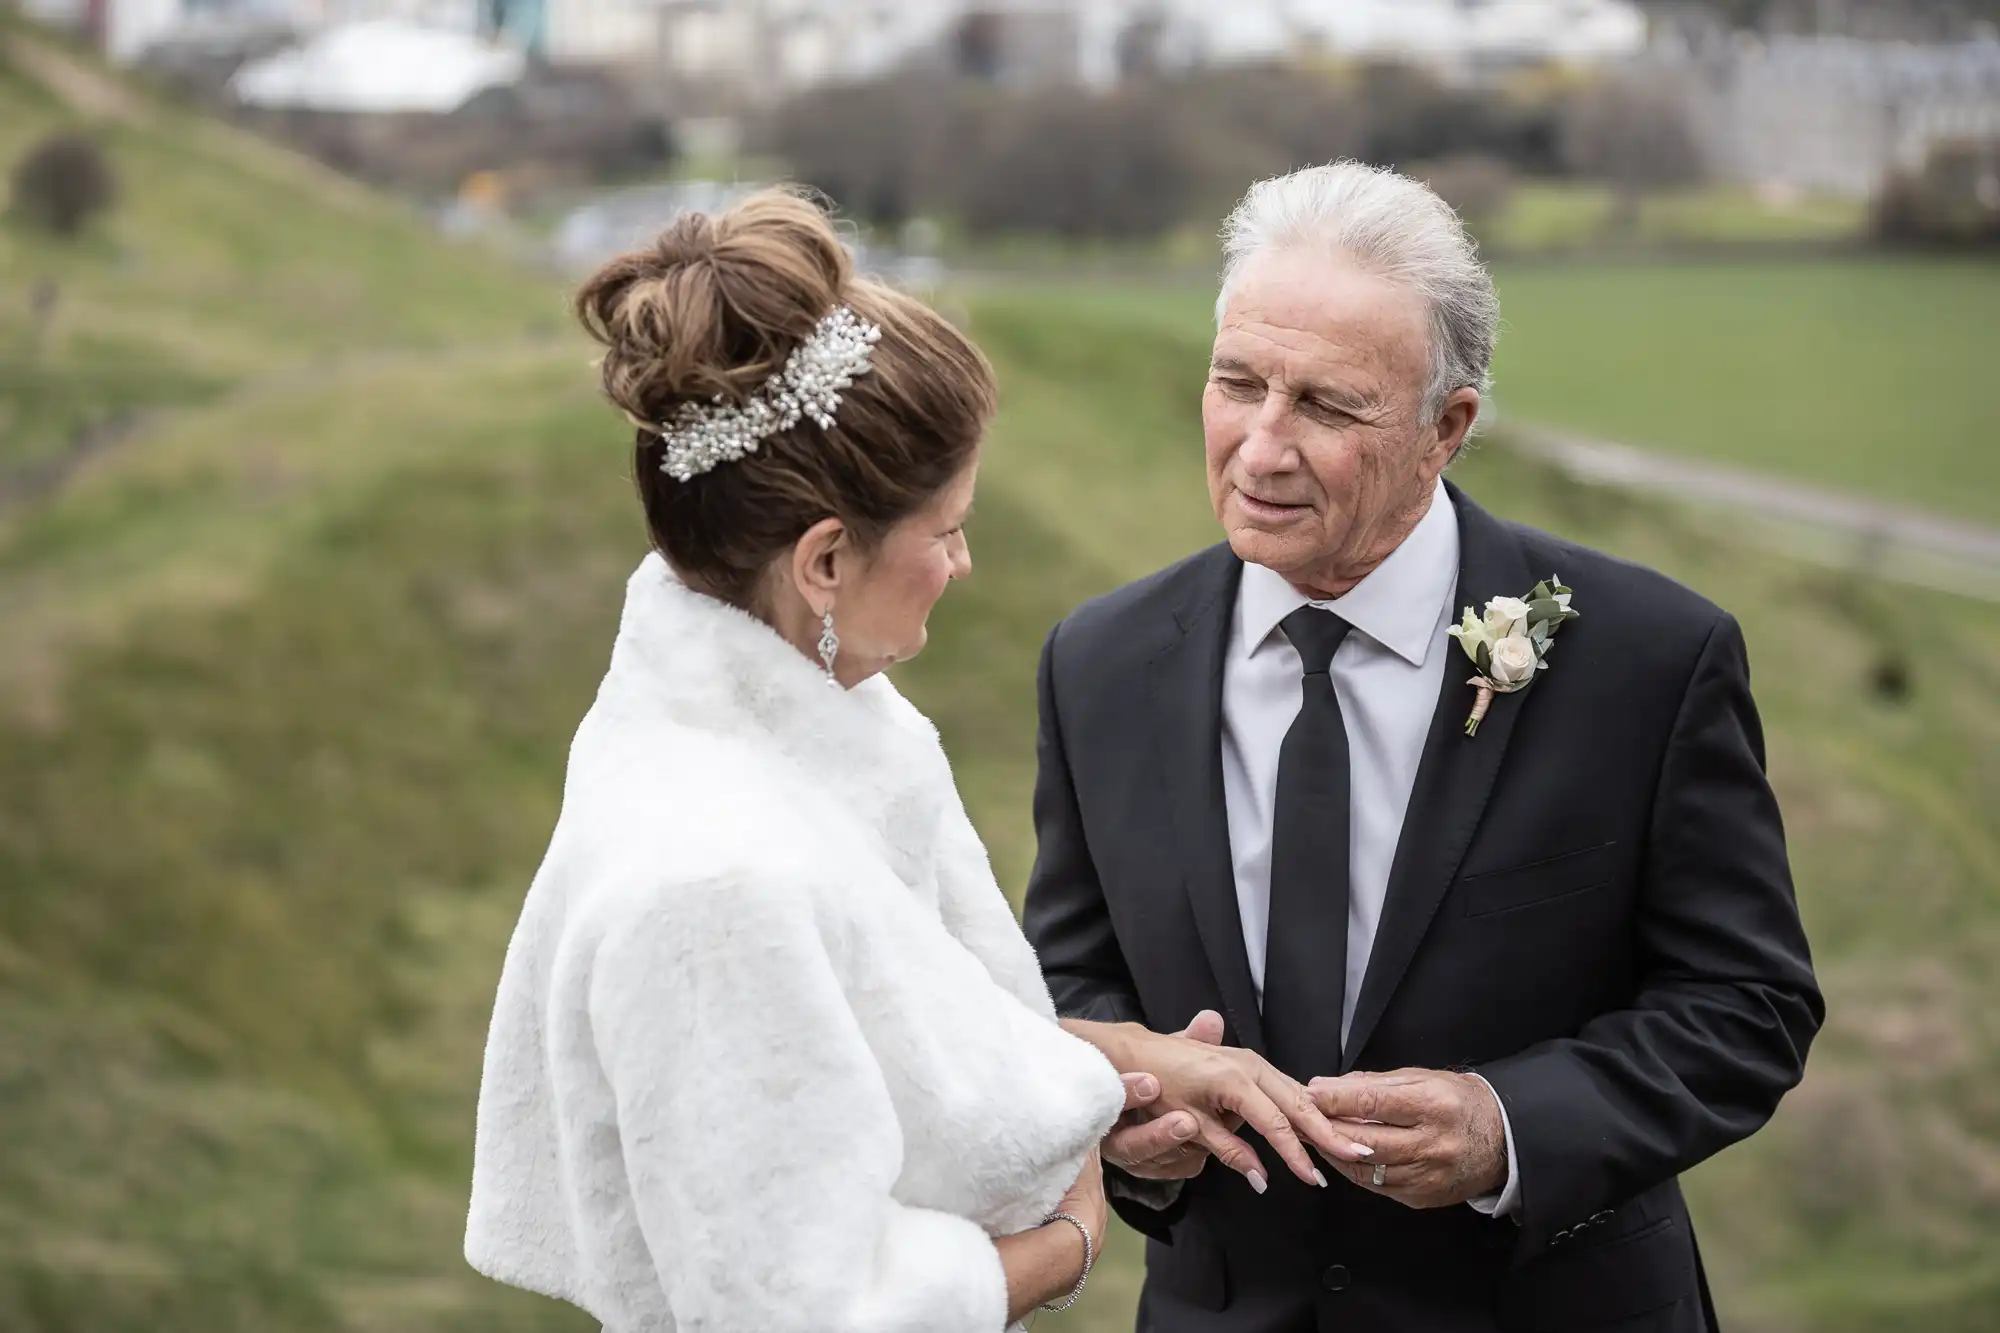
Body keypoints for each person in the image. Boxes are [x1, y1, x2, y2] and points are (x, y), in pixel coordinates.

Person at [463, 188, 1362, 1333]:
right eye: (944, 530)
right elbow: (798, 1314)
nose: (964, 562)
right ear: (825, 560)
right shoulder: (713, 885)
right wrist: (1068, 1234)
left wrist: (1108, 1066)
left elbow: (860, 1027)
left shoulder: (800, 732)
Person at [1023, 162, 1824, 1333]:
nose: (1258, 446)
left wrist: (1508, 1125)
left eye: (1326, 405)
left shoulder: (1647, 658)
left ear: (1444, 428)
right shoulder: (1098, 662)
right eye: (1235, 382)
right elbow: (1066, 980)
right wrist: (1131, 1107)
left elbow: (1745, 1002)